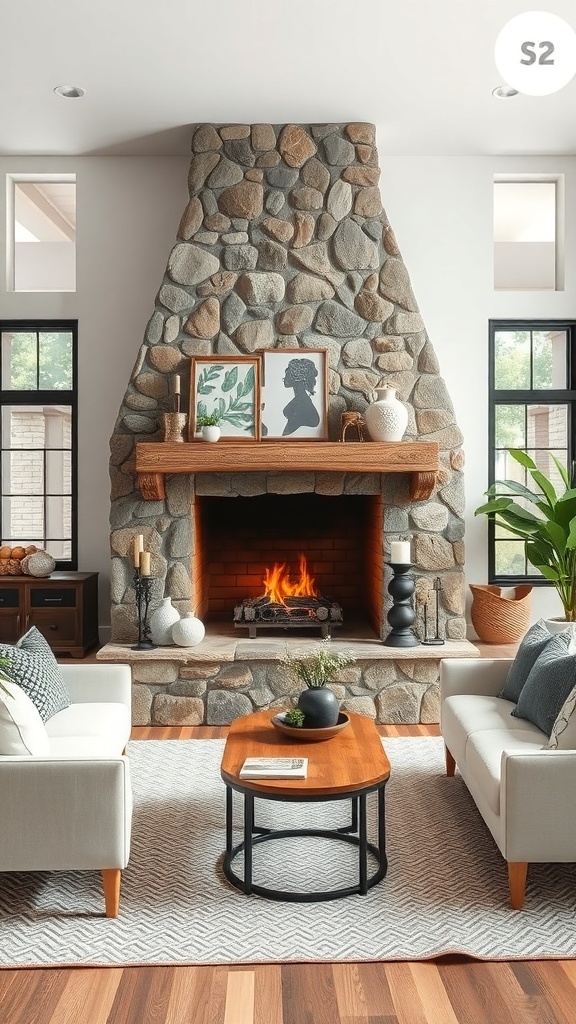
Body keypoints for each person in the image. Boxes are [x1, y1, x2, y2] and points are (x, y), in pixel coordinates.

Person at [281, 358, 320, 436]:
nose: (284, 378)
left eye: (288, 373)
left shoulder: (302, 402)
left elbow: (285, 436)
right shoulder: (301, 399)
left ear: (296, 377)